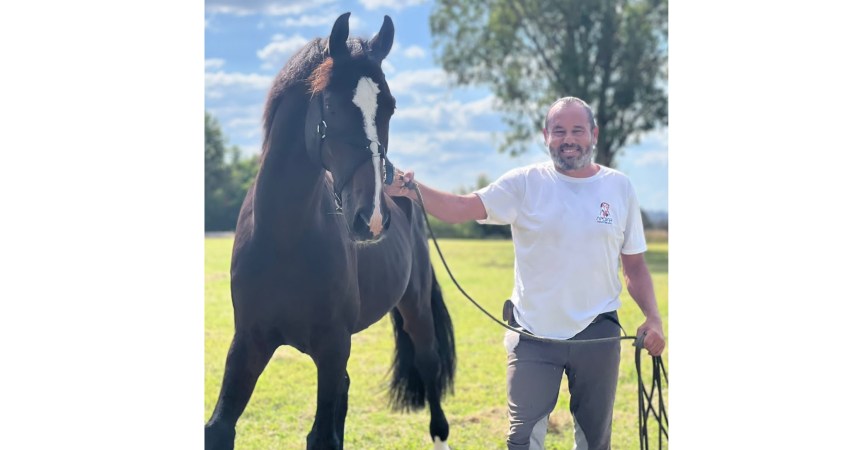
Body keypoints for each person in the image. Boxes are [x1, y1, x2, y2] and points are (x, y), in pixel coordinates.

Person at [384, 96, 666, 450]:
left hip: (598, 333)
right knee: (521, 440)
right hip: (533, 335)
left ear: (594, 134)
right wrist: (410, 188)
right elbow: (461, 208)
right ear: (546, 136)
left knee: (596, 442)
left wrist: (653, 318)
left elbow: (635, 267)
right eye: (558, 131)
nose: (568, 139)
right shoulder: (524, 183)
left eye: (577, 130)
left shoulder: (619, 187)